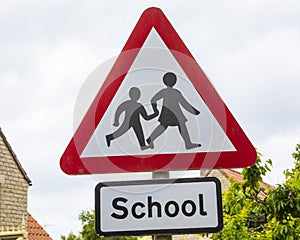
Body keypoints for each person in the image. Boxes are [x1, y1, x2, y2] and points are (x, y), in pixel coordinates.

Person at [146, 72, 201, 150]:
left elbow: (153, 100)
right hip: (175, 113)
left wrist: (155, 110)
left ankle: (151, 138)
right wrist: (193, 111)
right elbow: (184, 103)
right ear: (175, 81)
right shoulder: (176, 92)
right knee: (180, 125)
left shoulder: (164, 91)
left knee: (163, 126)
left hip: (166, 113)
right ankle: (188, 144)